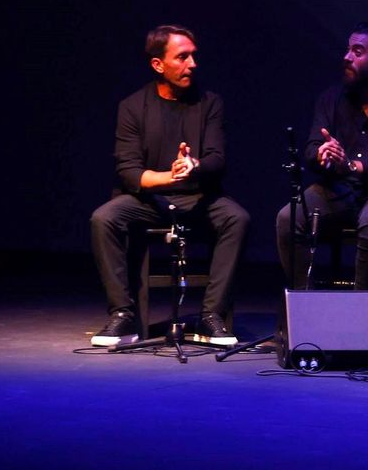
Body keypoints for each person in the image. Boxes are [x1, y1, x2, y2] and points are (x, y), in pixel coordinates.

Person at [89, 25, 250, 347]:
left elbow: (218, 159)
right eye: (182, 57)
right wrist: (169, 176)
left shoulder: (210, 103)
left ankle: (211, 315)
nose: (192, 64)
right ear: (158, 64)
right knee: (104, 218)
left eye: (193, 56)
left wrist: (194, 166)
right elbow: (129, 171)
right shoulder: (133, 107)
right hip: (148, 200)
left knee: (237, 218)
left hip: (198, 197)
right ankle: (123, 315)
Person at [275, 22, 368, 290]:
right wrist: (323, 154)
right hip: (339, 190)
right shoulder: (331, 99)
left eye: (357, 51)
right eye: (348, 50)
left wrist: (351, 166)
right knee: (289, 218)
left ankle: (359, 313)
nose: (346, 57)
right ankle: (301, 305)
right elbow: (310, 148)